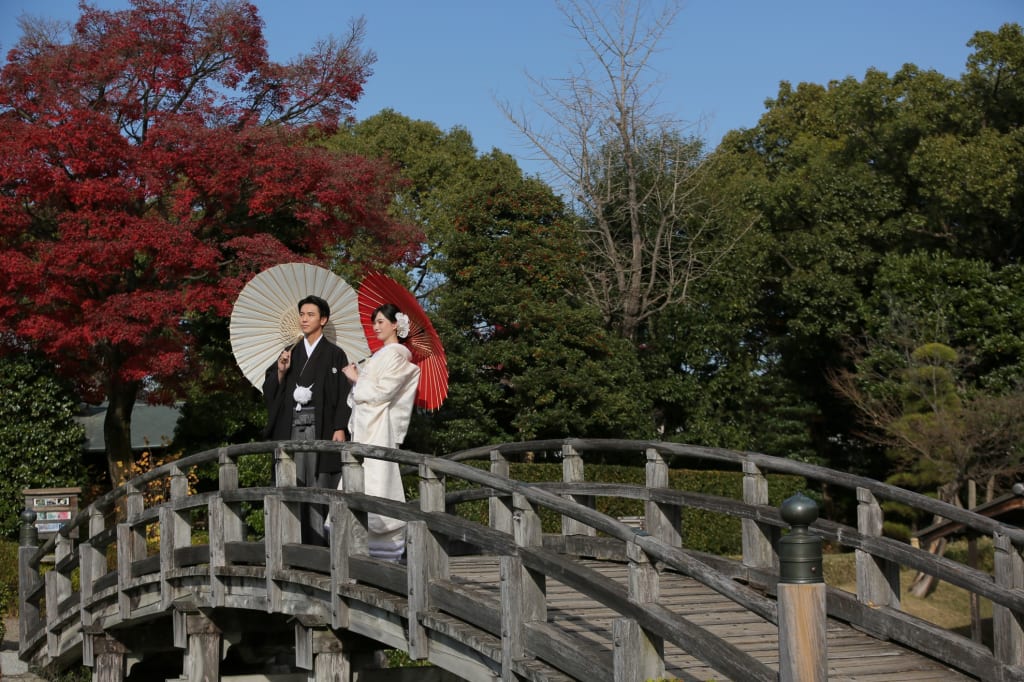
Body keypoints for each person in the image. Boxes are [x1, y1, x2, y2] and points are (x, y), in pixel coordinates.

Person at [264, 295, 351, 546]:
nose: (304, 319)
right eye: (301, 314)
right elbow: (270, 389)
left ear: (323, 319)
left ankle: (319, 544)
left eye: (310, 314)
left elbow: (344, 394)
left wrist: (339, 426)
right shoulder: (290, 352)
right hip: (292, 426)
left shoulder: (335, 354)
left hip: (321, 426)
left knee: (319, 482)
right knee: (291, 480)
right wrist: (281, 371)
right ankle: (289, 543)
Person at [341, 302, 421, 560]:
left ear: (395, 324)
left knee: (377, 478)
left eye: (381, 322)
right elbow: (367, 393)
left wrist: (357, 379)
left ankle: (381, 550)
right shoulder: (380, 355)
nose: (375, 327)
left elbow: (383, 393)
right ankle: (356, 545)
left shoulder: (397, 356)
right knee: (361, 477)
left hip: (379, 427)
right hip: (366, 425)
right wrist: (359, 379)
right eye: (374, 322)